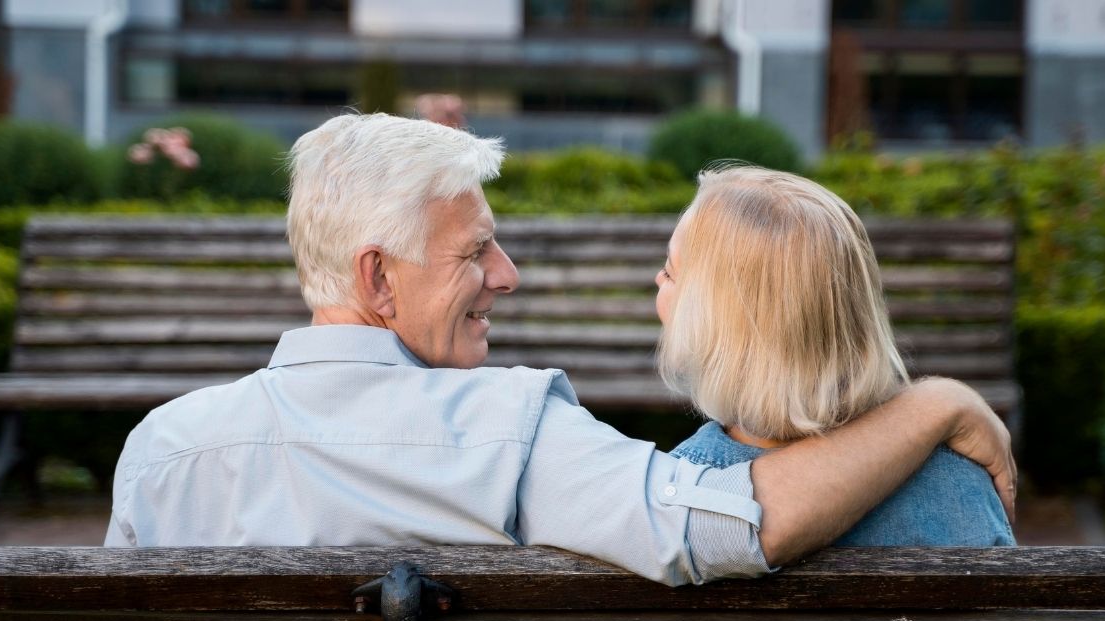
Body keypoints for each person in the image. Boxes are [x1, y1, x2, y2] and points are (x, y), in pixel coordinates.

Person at [103, 113, 1016, 584]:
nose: (507, 275)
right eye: (475, 252)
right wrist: (938, 402)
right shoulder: (518, 435)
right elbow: (739, 521)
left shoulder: (161, 452)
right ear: (379, 281)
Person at [659, 166, 1013, 546]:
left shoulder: (684, 493)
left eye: (670, 272)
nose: (658, 279)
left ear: (710, 326)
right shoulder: (959, 482)